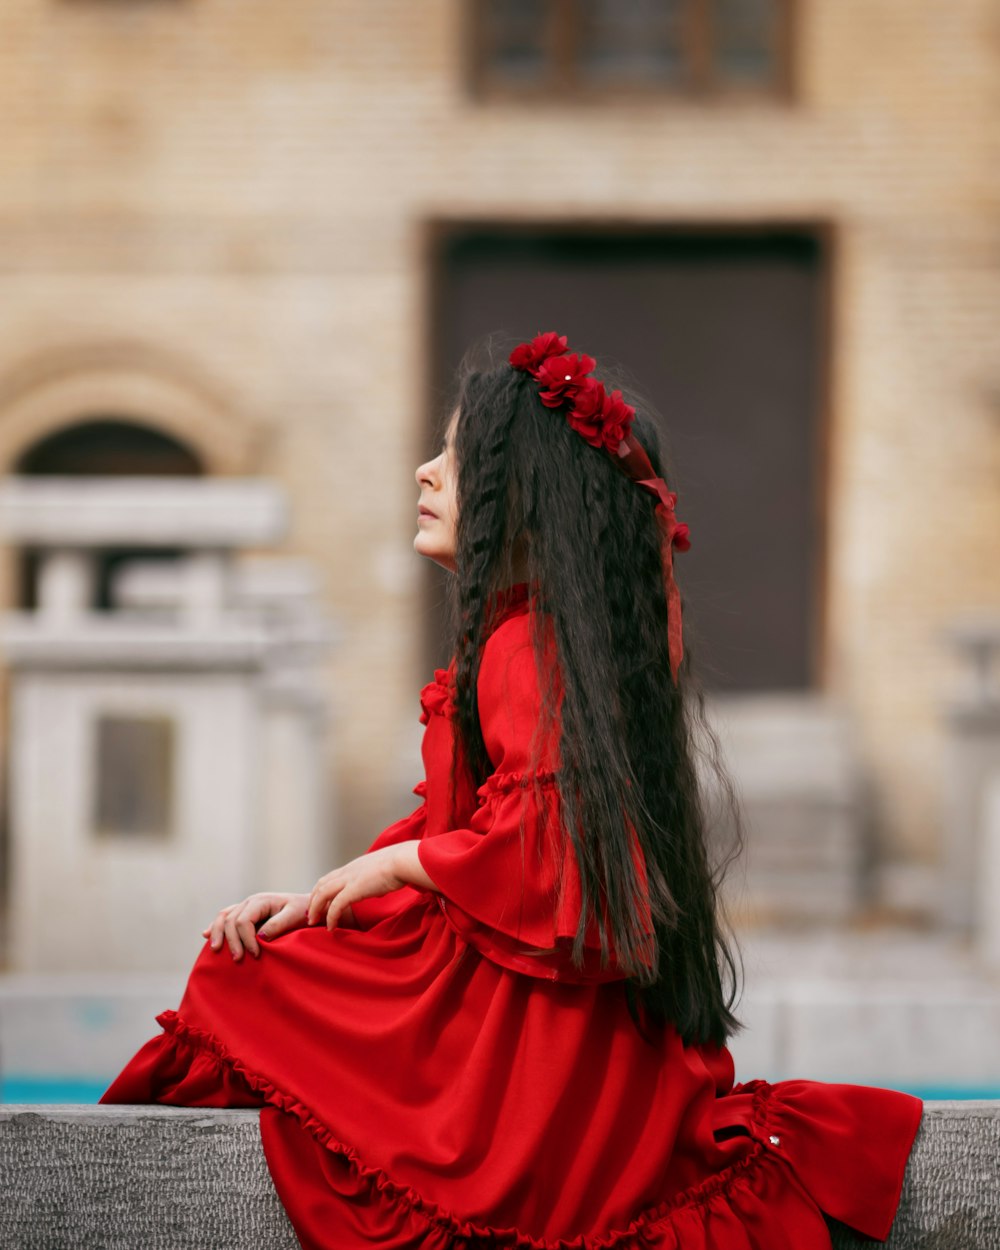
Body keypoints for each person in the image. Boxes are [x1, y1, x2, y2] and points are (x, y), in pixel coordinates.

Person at [100, 330, 923, 1250]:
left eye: (453, 459)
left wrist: (408, 865)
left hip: (535, 1023)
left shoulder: (525, 650)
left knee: (240, 979)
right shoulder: (540, 641)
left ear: (521, 501)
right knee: (280, 955)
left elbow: (547, 844)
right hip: (542, 979)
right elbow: (467, 820)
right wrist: (331, 892)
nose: (423, 472)